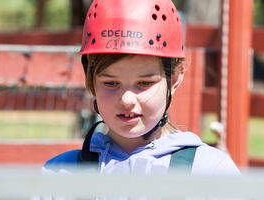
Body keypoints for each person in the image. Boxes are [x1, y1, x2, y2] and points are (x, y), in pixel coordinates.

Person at [43, 0, 240, 175]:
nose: (127, 99)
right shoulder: (59, 175)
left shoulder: (208, 173)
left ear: (174, 78)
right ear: (90, 79)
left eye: (144, 83)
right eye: (111, 83)